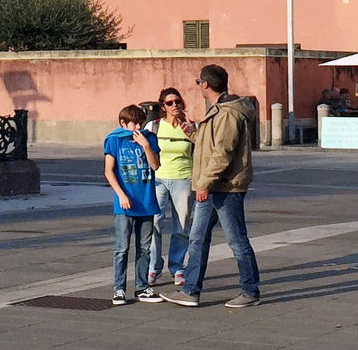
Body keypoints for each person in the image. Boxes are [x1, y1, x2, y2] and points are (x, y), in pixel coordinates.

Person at [166, 64, 262, 308]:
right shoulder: (217, 111)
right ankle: (190, 290)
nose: (198, 86)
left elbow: (223, 152)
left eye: (199, 82)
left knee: (237, 241)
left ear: (205, 84)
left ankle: (250, 291)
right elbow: (210, 145)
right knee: (197, 238)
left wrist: (204, 183)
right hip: (210, 186)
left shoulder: (228, 112)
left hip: (225, 187)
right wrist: (192, 132)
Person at [103, 105, 164, 304]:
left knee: (144, 247)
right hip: (125, 203)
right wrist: (121, 194)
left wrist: (146, 145)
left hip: (146, 202)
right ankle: (119, 289)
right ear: (123, 123)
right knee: (122, 248)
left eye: (141, 122)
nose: (138, 126)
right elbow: (109, 171)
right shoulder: (115, 140)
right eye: (134, 123)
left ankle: (141, 287)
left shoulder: (149, 139)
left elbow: (155, 165)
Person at [151, 86, 196, 287]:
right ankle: (153, 267)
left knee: (181, 225)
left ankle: (177, 267)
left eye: (177, 101)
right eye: (170, 103)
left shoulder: (189, 126)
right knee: (154, 224)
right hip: (159, 179)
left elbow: (200, 149)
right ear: (163, 106)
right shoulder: (154, 126)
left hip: (183, 178)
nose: (175, 105)